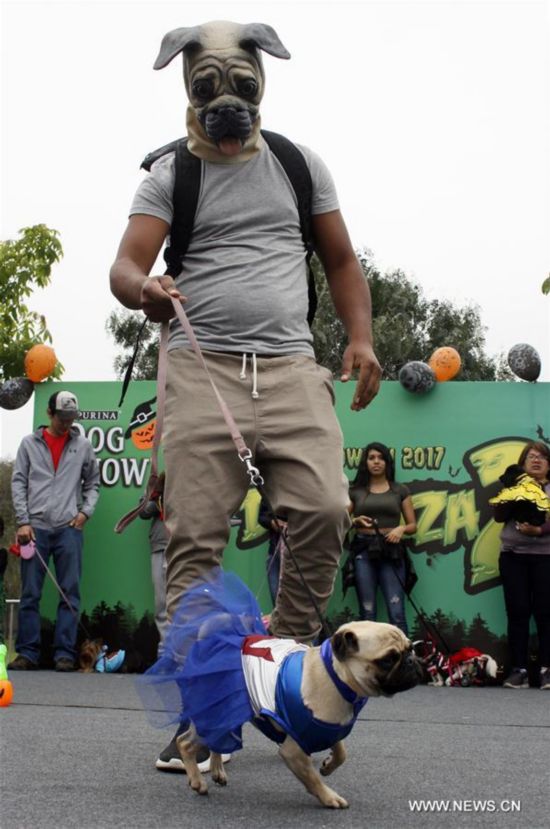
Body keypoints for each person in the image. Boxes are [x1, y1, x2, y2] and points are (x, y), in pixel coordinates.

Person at [110, 20, 381, 771]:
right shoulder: (170, 175)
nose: (225, 101)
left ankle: (276, 670)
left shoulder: (298, 164)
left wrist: (360, 338)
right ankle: (200, 714)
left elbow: (341, 259)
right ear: (186, 86)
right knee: (195, 538)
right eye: (208, 87)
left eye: (242, 86)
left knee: (325, 508)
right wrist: (146, 288)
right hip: (202, 369)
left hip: (292, 367)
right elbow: (126, 265)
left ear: (263, 83)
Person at [9, 391, 100, 671]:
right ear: (50, 414)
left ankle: (64, 654)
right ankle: (27, 653)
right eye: (62, 417)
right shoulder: (29, 444)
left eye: (71, 418)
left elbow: (93, 483)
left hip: (68, 528)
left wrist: (85, 512)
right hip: (34, 528)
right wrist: (23, 521)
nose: (67, 423)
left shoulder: (83, 445)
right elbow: (19, 482)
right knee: (30, 593)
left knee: (69, 592)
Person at [492, 441, 550, 690]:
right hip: (513, 556)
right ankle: (519, 669)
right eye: (530, 457)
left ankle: (547, 669)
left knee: (546, 613)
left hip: (546, 556)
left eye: (541, 457)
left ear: (549, 464)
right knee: (517, 611)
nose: (536, 460)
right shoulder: (513, 484)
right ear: (522, 463)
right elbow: (498, 517)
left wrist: (539, 530)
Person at [348, 442, 416, 634]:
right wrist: (355, 521)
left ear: (387, 462)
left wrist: (401, 529)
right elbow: (341, 521)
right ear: (365, 462)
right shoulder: (355, 491)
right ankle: (367, 653)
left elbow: (413, 526)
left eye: (381, 458)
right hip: (363, 550)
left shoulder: (400, 490)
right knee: (367, 611)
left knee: (396, 612)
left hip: (391, 551)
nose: (376, 462)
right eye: (371, 458)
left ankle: (402, 653)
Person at [139, 472, 168, 654]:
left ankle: (186, 652)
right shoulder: (159, 482)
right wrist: (157, 495)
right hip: (161, 545)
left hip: (188, 546)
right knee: (162, 603)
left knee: (189, 603)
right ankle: (165, 651)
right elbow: (143, 512)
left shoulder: (195, 478)